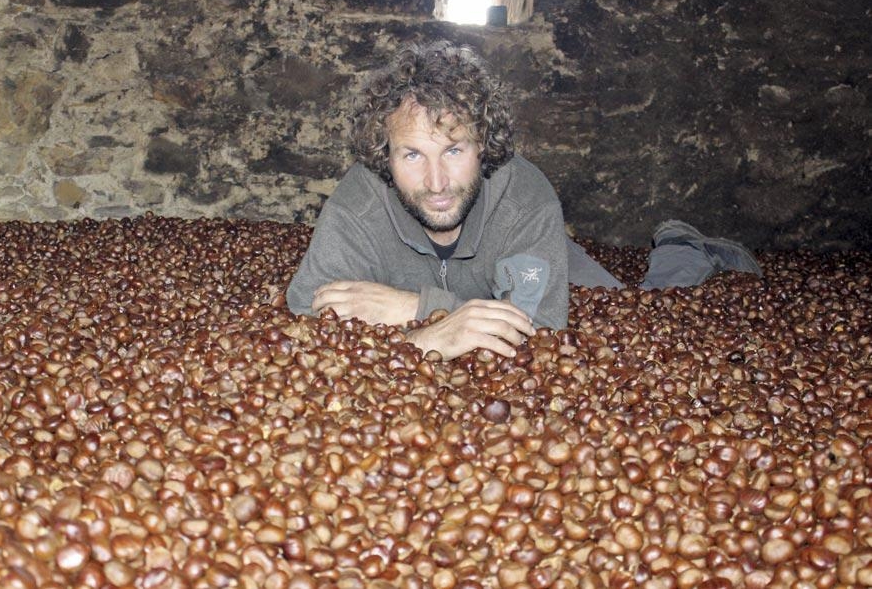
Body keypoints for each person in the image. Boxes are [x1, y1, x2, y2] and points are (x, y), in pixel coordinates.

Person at [286, 41, 761, 360]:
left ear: (484, 145)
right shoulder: (361, 196)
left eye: (454, 150)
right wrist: (439, 328)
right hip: (498, 271)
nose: (436, 182)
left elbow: (539, 327)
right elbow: (308, 302)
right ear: (384, 156)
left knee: (640, 304)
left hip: (523, 248)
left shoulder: (526, 198)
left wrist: (416, 310)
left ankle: (685, 248)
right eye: (412, 154)